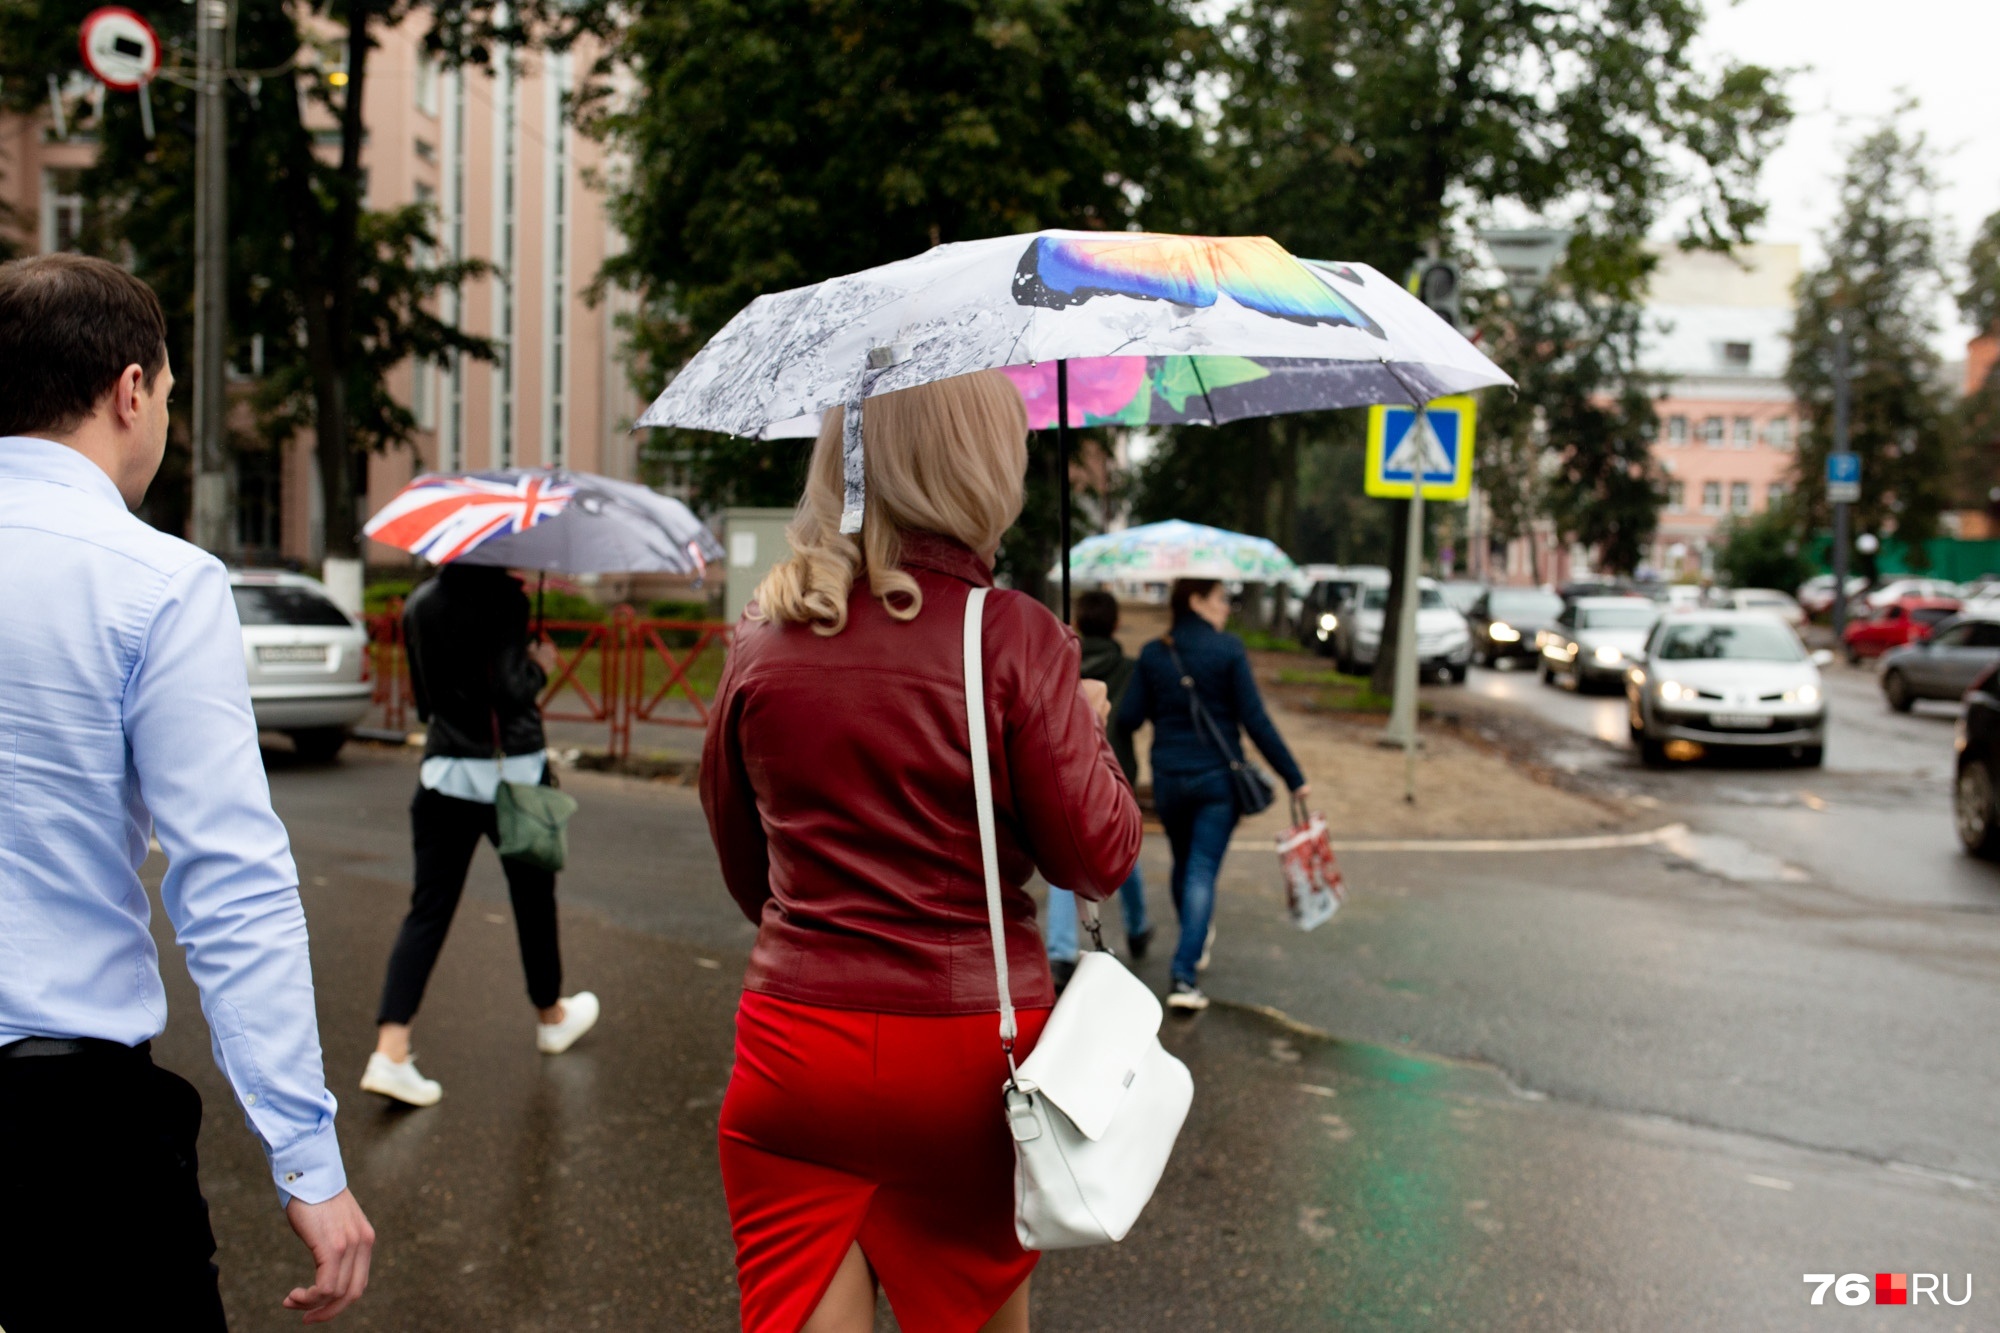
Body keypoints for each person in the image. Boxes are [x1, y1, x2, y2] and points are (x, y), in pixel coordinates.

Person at [702, 370, 1142, 1333]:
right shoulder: (1012, 635)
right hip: (969, 1065)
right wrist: (1086, 726)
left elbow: (749, 872)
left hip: (793, 1055)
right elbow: (1097, 856)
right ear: (981, 462)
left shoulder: (762, 640)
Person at [0, 253, 374, 1329]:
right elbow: (231, 885)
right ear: (130, 390)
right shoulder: (155, 583)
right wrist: (306, 1157)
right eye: (166, 394)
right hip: (65, 1132)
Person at [360, 563, 599, 1107]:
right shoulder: (508, 602)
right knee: (534, 901)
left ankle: (390, 1050)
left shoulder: (419, 603)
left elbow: (426, 702)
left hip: (445, 773)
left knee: (429, 908)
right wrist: (539, 667)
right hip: (513, 777)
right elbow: (511, 693)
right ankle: (550, 1017)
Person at [1116, 577, 1309, 1012]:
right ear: (1197, 600)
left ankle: (1193, 942)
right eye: (1221, 599)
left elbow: (1128, 716)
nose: (1226, 608)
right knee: (1201, 871)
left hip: (1168, 778)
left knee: (1185, 867)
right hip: (1217, 782)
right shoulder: (1228, 651)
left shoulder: (1153, 652)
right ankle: (1184, 974)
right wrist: (1294, 776)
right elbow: (1255, 721)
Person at [1044, 589, 1153, 987]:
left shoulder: (1062, 661)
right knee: (1124, 850)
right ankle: (1138, 927)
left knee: (1065, 852)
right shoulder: (1130, 668)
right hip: (1115, 768)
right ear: (1117, 623)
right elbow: (1137, 717)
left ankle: (1060, 952)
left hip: (1068, 770)